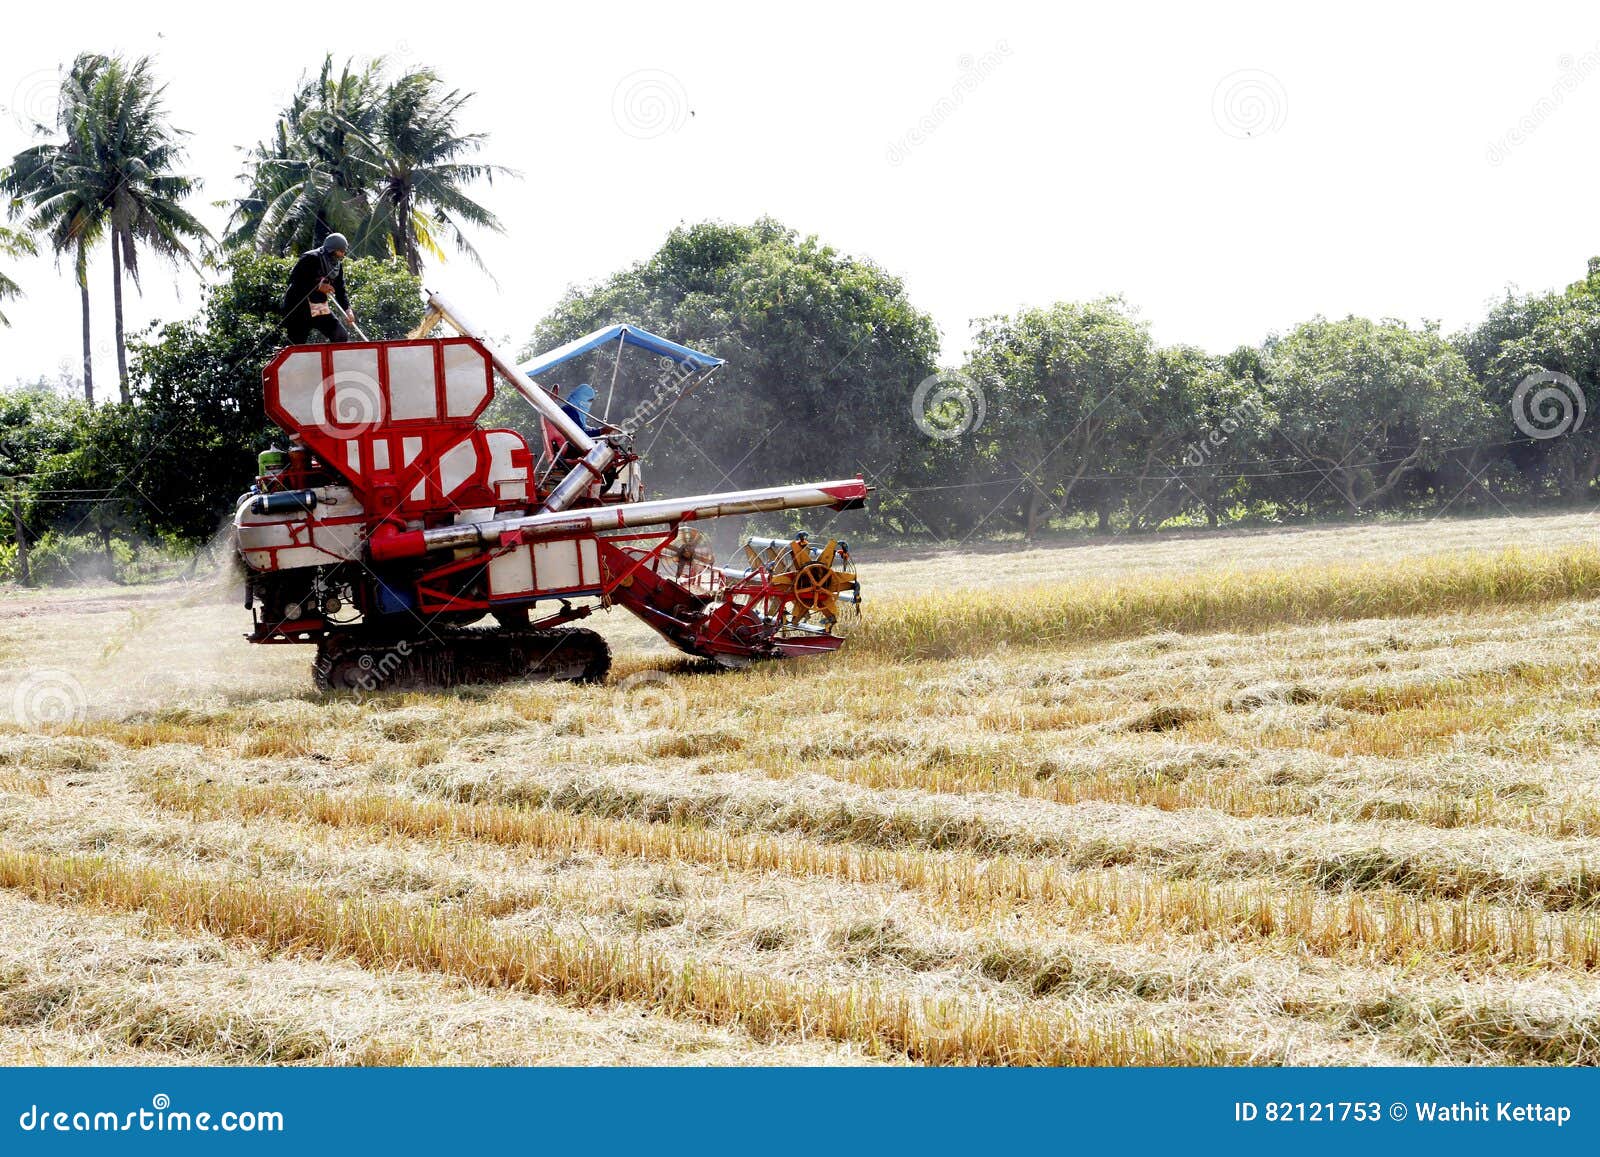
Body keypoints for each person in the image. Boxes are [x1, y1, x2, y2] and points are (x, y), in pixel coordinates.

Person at [282, 233, 355, 344]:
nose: (343, 254)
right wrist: (318, 286)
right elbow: (295, 280)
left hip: (318, 306)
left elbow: (340, 290)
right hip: (298, 308)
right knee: (296, 344)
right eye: (340, 251)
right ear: (331, 250)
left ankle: (333, 361)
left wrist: (347, 309)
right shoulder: (310, 258)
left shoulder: (337, 266)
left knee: (340, 336)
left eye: (344, 251)